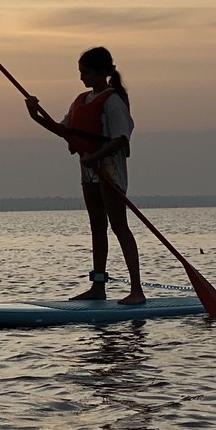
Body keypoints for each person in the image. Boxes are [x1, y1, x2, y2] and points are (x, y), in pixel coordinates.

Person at [24, 46, 145, 305]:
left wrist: (95, 157)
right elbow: (63, 130)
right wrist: (35, 115)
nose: (82, 77)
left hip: (109, 168)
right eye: (80, 72)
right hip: (88, 169)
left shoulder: (113, 101)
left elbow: (120, 139)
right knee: (97, 227)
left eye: (86, 72)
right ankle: (98, 286)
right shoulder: (81, 100)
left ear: (103, 72)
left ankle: (137, 290)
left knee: (119, 225)